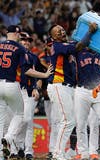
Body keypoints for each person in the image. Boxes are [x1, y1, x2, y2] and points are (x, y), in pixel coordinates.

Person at [0, 25, 53, 159]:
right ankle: (11, 143)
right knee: (16, 117)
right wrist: (44, 75)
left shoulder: (31, 56)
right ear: (17, 36)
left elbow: (32, 75)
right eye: (22, 37)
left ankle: (17, 150)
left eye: (28, 40)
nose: (25, 41)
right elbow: (27, 71)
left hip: (13, 87)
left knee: (17, 120)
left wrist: (36, 87)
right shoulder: (19, 50)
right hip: (13, 87)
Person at [46, 22, 97, 160]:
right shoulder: (58, 46)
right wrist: (90, 32)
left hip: (66, 87)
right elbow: (79, 46)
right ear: (52, 37)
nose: (61, 32)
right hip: (58, 85)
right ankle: (57, 154)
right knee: (67, 121)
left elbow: (77, 45)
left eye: (62, 29)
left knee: (69, 121)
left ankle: (62, 152)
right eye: (57, 31)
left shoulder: (65, 45)